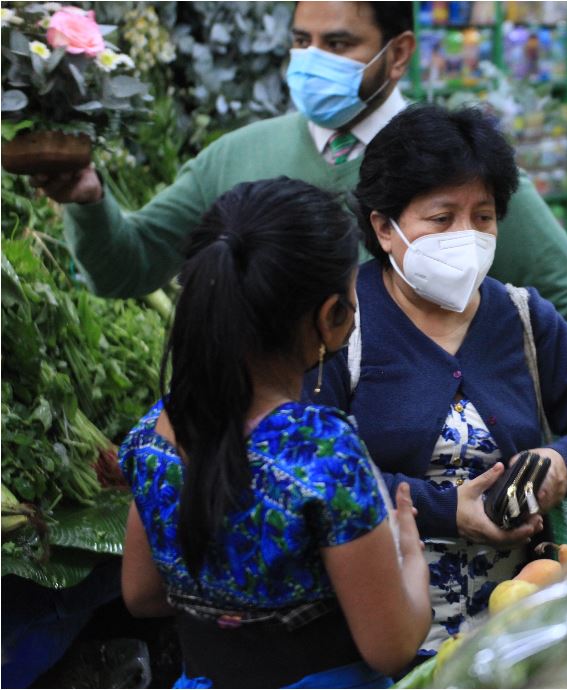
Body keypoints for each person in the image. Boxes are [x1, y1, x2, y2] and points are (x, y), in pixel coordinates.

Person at [32, 1, 567, 347]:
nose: (311, 61)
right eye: (301, 42)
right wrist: (88, 200)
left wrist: (491, 417)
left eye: (338, 44)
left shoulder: (455, 164)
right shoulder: (236, 156)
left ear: (397, 54)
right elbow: (126, 267)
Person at [312, 104, 567, 655]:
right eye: (441, 219)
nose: (465, 236)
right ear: (384, 228)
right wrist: (446, 510)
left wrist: (563, 465)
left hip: (517, 636)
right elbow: (311, 469)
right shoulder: (338, 321)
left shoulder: (520, 317)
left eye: (483, 217)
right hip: (381, 642)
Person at [118, 178, 431, 688]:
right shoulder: (324, 451)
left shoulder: (155, 433)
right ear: (331, 316)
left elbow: (141, 594)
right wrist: (409, 555)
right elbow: (392, 646)